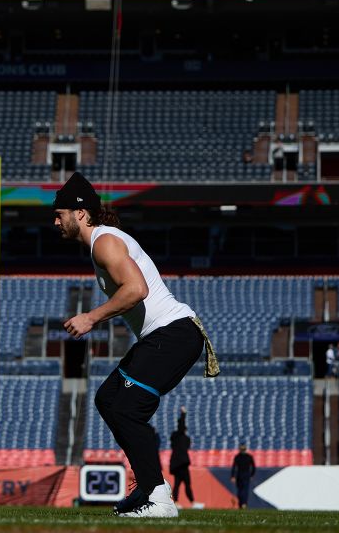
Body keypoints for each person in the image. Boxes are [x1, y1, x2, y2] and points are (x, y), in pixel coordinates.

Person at [56, 173, 217, 519]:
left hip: (174, 334)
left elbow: (136, 289)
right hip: (166, 336)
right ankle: (147, 488)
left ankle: (160, 500)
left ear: (81, 213)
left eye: (60, 213)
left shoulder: (104, 242)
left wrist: (91, 318)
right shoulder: (100, 243)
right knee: (108, 399)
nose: (56, 221)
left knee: (127, 409)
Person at [168, 406, 194, 506]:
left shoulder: (181, 437)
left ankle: (190, 502)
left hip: (179, 463)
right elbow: (181, 428)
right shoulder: (177, 435)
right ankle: (181, 502)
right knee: (180, 484)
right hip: (180, 463)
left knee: (182, 484)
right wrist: (183, 414)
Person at [231, 444, 256, 509]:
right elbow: (234, 467)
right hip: (241, 475)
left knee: (243, 490)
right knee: (241, 491)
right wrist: (233, 476)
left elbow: (253, 467)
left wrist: (252, 475)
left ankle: (243, 504)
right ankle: (242, 504)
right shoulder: (238, 457)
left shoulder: (248, 457)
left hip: (244, 475)